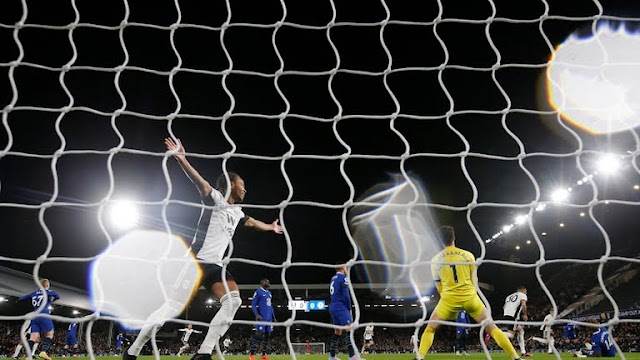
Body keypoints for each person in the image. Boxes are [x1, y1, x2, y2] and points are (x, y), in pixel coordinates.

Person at [123, 138, 283, 360]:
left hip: (215, 267)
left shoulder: (237, 212)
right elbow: (201, 182)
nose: (245, 188)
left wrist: (271, 227)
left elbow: (254, 223)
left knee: (234, 301)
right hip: (195, 263)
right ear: (231, 184)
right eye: (242, 183)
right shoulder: (215, 199)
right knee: (171, 308)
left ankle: (204, 353)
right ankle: (133, 352)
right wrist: (182, 159)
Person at [415, 226, 522, 360]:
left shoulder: (435, 259)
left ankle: (420, 357)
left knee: (430, 329)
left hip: (449, 300)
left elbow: (438, 284)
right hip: (470, 298)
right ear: (454, 237)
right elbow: (474, 281)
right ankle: (515, 357)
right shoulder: (468, 255)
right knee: (492, 328)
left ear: (440, 240)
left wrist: (448, 303)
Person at [328, 263, 364, 360]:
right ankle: (352, 356)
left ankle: (332, 356)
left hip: (333, 306)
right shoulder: (343, 277)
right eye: (346, 267)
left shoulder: (333, 278)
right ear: (343, 268)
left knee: (338, 332)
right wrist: (349, 309)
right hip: (341, 306)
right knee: (349, 329)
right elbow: (346, 295)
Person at [18, 279, 60, 360]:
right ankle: (43, 352)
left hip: (35, 317)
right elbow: (57, 296)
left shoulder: (33, 293)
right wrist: (50, 300)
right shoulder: (50, 292)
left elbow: (21, 298)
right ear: (47, 285)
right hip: (44, 315)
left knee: (33, 338)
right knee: (50, 334)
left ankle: (28, 356)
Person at [249, 278, 276, 360]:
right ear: (262, 282)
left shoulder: (269, 293)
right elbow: (253, 304)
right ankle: (252, 354)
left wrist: (274, 317)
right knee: (258, 335)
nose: (268, 282)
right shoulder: (258, 292)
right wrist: (256, 314)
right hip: (262, 318)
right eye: (267, 281)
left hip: (269, 318)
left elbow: (270, 306)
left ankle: (263, 354)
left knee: (268, 335)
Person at [502, 286, 532, 357]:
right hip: (513, 316)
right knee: (511, 335)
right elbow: (523, 305)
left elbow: (504, 307)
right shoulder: (522, 295)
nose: (526, 292)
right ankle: (494, 334)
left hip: (506, 315)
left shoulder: (509, 296)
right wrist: (525, 314)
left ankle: (523, 352)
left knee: (521, 331)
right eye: (526, 291)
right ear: (523, 290)